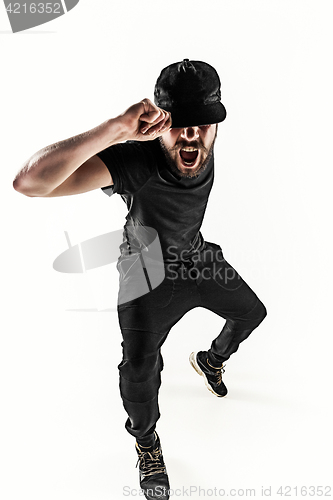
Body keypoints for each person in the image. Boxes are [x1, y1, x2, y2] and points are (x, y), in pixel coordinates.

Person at [13, 59, 267, 500]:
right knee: (139, 372)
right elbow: (29, 183)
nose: (191, 136)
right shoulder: (136, 161)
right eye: (179, 126)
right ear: (158, 125)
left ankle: (211, 360)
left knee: (252, 313)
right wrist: (114, 129)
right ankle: (147, 443)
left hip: (197, 260)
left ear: (215, 124)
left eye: (202, 125)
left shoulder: (201, 144)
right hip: (145, 276)